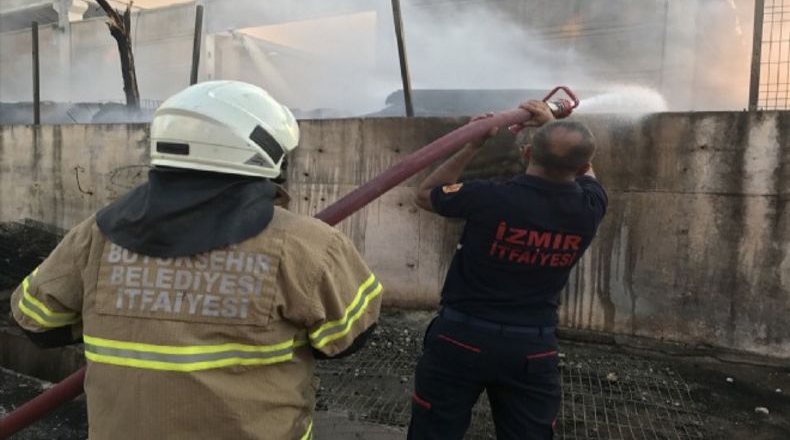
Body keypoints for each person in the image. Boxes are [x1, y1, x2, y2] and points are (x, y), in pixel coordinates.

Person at [10, 81, 383, 440]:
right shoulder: (308, 244)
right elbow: (347, 338)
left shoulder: (96, 234)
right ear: (265, 155)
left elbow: (37, 321)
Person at [407, 100, 607, 439]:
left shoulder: (488, 196)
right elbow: (588, 174)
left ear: (527, 154)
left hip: (460, 339)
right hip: (533, 348)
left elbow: (426, 194)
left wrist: (473, 145)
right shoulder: (590, 207)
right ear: (581, 165)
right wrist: (548, 127)